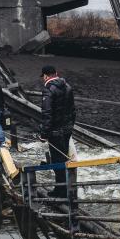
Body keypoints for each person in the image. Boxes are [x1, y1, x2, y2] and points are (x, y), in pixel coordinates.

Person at [39, 65, 76, 197]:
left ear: (45, 76)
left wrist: (44, 134)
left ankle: (60, 190)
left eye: (43, 77)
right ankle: (66, 187)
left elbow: (47, 113)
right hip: (66, 130)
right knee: (64, 158)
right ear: (56, 73)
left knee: (57, 161)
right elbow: (73, 110)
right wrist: (70, 126)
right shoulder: (68, 86)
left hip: (55, 132)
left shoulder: (48, 89)